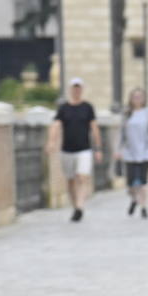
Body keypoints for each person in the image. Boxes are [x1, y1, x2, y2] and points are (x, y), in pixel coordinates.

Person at [46, 77, 102, 222]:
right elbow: (56, 125)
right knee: (70, 180)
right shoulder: (64, 108)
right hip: (67, 149)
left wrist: (98, 148)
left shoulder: (87, 107)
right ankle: (74, 206)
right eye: (74, 88)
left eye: (79, 88)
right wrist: (51, 142)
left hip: (84, 149)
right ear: (71, 90)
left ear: (81, 90)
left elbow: (94, 128)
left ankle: (80, 206)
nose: (76, 90)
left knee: (82, 177)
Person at [115, 87, 148, 218]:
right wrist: (118, 150)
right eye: (135, 97)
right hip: (130, 152)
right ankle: (134, 199)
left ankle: (144, 207)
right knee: (131, 184)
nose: (137, 99)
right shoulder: (126, 113)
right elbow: (121, 133)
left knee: (143, 182)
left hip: (145, 151)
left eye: (140, 97)